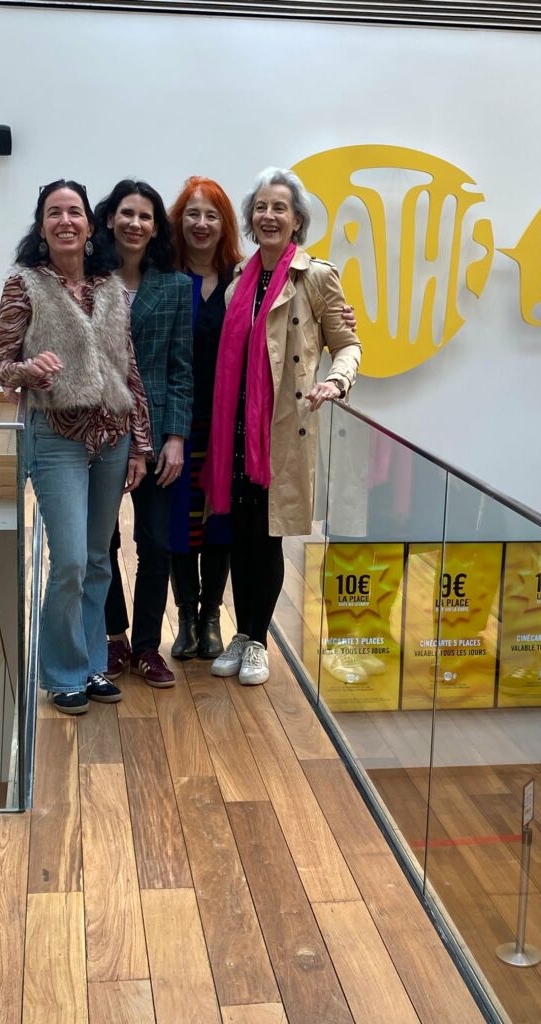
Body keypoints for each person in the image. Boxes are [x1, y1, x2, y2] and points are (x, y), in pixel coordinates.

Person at [0, 179, 153, 714]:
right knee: (71, 562)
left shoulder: (111, 287)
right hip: (56, 436)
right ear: (42, 227)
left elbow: (129, 370)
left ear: (89, 225)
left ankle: (89, 665)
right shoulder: (24, 285)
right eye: (54, 213)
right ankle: (61, 672)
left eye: (74, 212)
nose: (65, 221)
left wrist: (139, 446)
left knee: (99, 560)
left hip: (113, 437)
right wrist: (27, 371)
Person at [202, 167, 361, 686]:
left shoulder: (316, 277)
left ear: (297, 220)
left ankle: (257, 641)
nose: (269, 216)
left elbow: (348, 344)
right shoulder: (238, 280)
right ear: (251, 218)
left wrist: (335, 381)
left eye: (280, 208)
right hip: (234, 430)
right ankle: (243, 634)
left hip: (281, 429)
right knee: (239, 536)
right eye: (261, 207)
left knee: (267, 537)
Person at [96, 180, 194, 687]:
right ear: (109, 219)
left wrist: (176, 436)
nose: (135, 223)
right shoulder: (89, 280)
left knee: (156, 542)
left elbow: (181, 368)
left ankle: (148, 646)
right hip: (99, 428)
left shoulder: (174, 286)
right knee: (103, 540)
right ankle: (114, 636)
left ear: (156, 228)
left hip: (156, 435)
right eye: (127, 213)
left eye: (146, 216)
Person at [165, 177, 242, 661]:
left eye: (211, 215)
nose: (201, 223)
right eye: (192, 214)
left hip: (227, 423)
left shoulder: (242, 280)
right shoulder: (165, 277)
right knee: (181, 522)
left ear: (224, 224)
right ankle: (186, 617)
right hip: (178, 423)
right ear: (180, 221)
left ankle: (212, 614)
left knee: (220, 522)